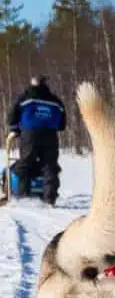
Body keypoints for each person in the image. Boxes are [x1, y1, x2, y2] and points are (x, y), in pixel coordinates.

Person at [7, 74, 67, 205]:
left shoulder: (25, 97)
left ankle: (22, 197)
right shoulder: (55, 100)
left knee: (25, 163)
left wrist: (15, 128)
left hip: (30, 134)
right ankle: (49, 199)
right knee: (50, 166)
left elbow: (12, 113)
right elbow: (62, 124)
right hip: (50, 135)